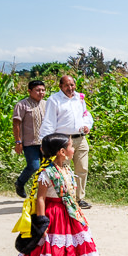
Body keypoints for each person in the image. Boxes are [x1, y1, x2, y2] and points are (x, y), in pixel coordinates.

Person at [0, 133, 106, 256]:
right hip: (54, 215)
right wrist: (42, 222)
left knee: (75, 248)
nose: (73, 149)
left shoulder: (67, 169)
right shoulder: (46, 173)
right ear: (62, 152)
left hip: (69, 214)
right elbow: (40, 198)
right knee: (54, 250)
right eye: (71, 146)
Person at [38, 76, 94, 208]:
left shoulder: (79, 98)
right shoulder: (54, 100)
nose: (70, 88)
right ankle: (65, 198)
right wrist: (44, 142)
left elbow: (85, 115)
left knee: (82, 169)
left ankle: (79, 199)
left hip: (80, 138)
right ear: (60, 87)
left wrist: (87, 125)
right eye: (66, 86)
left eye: (72, 85)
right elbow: (49, 121)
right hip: (62, 140)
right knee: (63, 170)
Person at [12, 80, 47, 198]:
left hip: (45, 143)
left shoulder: (46, 104)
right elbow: (16, 124)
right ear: (29, 91)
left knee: (47, 168)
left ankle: (43, 194)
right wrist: (18, 141)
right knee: (34, 166)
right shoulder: (22, 105)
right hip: (29, 143)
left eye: (43, 90)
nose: (41, 93)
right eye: (37, 90)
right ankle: (20, 183)